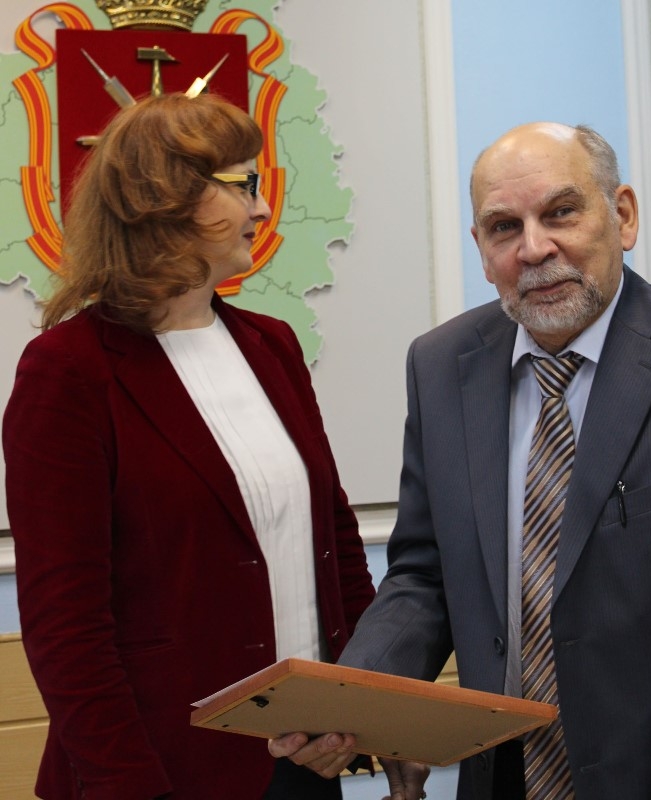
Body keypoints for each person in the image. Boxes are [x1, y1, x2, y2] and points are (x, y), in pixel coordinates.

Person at [270, 121, 651, 799]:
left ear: (623, 216)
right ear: (482, 251)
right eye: (504, 227)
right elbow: (424, 571)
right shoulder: (440, 365)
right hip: (500, 774)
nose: (534, 248)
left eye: (561, 212)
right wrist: (355, 701)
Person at [2, 92, 375, 800]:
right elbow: (65, 622)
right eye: (244, 184)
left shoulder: (272, 345)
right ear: (165, 198)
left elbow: (335, 540)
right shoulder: (69, 370)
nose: (263, 208)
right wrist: (130, 786)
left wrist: (367, 717)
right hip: (158, 772)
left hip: (305, 762)